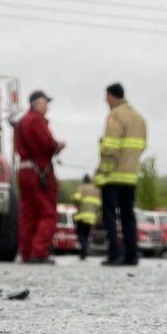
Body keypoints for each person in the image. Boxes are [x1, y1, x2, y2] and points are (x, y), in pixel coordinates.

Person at [94, 83, 147, 266]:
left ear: (112, 96)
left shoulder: (114, 116)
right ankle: (132, 254)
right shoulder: (139, 118)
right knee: (128, 215)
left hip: (113, 176)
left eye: (106, 96)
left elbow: (110, 147)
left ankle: (114, 253)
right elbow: (141, 146)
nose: (104, 100)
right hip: (131, 175)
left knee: (109, 215)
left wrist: (103, 170)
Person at [14, 90, 66, 263]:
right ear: (37, 103)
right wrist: (59, 145)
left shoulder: (21, 122)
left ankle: (26, 252)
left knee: (28, 213)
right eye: (46, 103)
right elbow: (48, 144)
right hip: (40, 171)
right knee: (47, 212)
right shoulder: (36, 120)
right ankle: (40, 252)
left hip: (23, 170)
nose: (48, 107)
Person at [72, 174, 100, 260]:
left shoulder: (81, 188)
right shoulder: (96, 190)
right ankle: (86, 249)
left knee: (81, 234)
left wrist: (75, 203)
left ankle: (83, 250)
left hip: (81, 216)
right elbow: (99, 204)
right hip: (92, 217)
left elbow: (76, 198)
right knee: (87, 234)